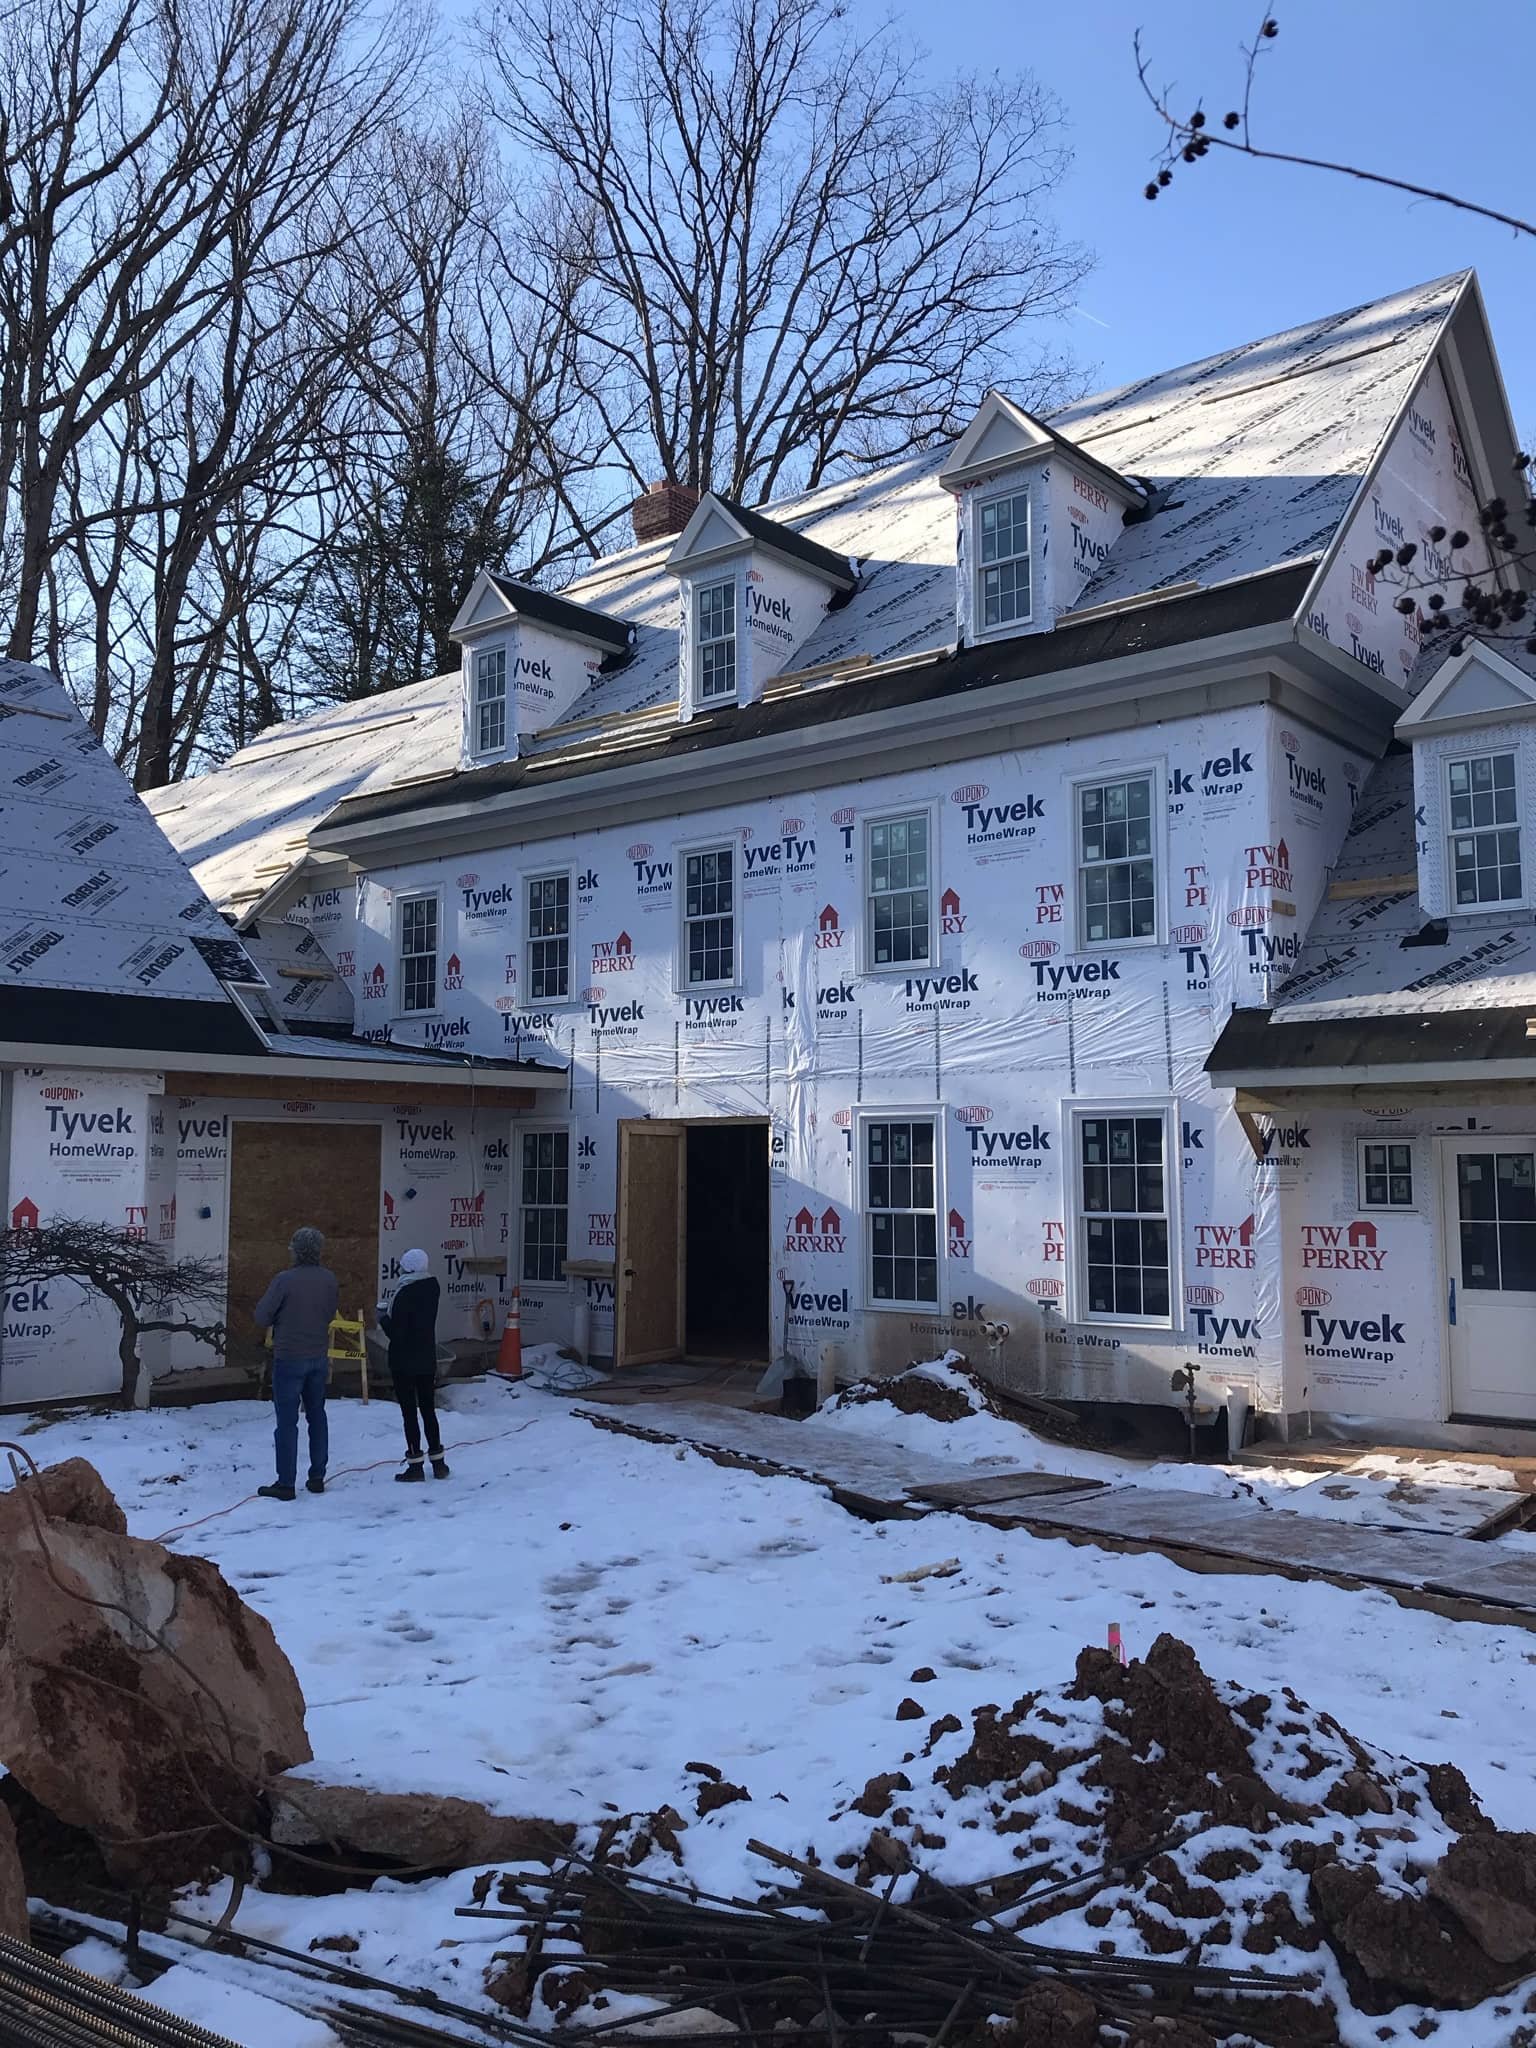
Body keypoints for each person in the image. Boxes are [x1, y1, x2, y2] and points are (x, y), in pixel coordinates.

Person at [252, 1226, 338, 1502]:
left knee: (287, 1421)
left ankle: (286, 1482)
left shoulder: (284, 1280)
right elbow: (329, 1313)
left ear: (297, 1251)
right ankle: (317, 1476)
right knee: (317, 1415)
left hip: (289, 1358)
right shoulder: (329, 1279)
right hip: (318, 1356)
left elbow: (262, 1316)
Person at [379, 1247, 448, 1481]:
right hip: (426, 1358)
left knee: (409, 1413)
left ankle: (415, 1464)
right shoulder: (432, 1288)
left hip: (404, 1361)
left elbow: (398, 1333)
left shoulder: (404, 1293)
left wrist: (383, 1319)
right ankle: (439, 1463)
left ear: (407, 1269)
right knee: (428, 1410)